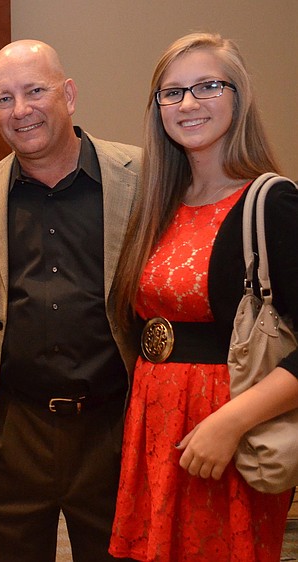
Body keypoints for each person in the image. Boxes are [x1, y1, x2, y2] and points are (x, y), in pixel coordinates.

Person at [108, 32, 298, 561]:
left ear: (239, 99)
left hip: (228, 439)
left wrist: (229, 423)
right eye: (172, 92)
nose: (188, 103)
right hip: (153, 430)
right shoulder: (157, 205)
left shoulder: (271, 202)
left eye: (208, 86)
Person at [0, 40, 142, 561]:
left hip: (112, 429)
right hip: (15, 433)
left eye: (35, 91)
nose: (21, 110)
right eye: (4, 99)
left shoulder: (140, 178)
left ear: (69, 94)